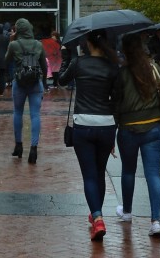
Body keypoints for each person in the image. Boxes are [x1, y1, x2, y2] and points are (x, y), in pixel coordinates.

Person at [58, 30, 120, 242]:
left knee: (89, 175)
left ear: (86, 43)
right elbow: (117, 99)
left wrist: (66, 57)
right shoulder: (113, 66)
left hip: (83, 125)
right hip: (106, 124)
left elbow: (61, 80)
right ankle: (96, 214)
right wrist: (113, 128)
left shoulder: (79, 63)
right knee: (99, 173)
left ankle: (98, 217)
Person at [112, 33, 160, 238]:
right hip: (153, 127)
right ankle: (156, 221)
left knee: (128, 171)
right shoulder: (154, 68)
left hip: (128, 129)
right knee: (153, 174)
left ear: (125, 50)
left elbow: (116, 103)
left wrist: (114, 125)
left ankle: (127, 212)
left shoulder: (122, 74)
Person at [4, 19, 47, 164]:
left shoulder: (14, 44)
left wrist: (11, 41)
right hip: (36, 83)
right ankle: (34, 148)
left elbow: (6, 60)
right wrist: (44, 81)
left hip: (20, 82)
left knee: (18, 112)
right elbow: (43, 66)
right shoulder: (38, 44)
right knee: (35, 115)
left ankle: (19, 145)